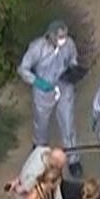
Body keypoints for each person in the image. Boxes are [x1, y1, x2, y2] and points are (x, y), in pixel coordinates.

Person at [18, 20, 80, 154]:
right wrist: (37, 82)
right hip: (43, 90)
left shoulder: (69, 44)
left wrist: (73, 71)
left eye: (65, 36)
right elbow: (23, 69)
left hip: (64, 86)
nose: (63, 40)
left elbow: (73, 58)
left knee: (68, 123)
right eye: (60, 37)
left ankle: (73, 157)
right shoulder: (37, 48)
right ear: (51, 35)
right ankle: (39, 150)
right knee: (41, 123)